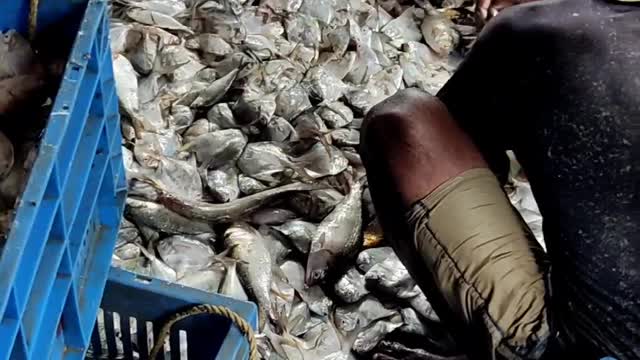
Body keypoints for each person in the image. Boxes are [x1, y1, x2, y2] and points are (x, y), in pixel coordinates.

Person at [359, 0, 640, 359]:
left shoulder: (552, 30)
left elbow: (460, 133)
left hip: (588, 346)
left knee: (402, 124)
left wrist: (510, 33)